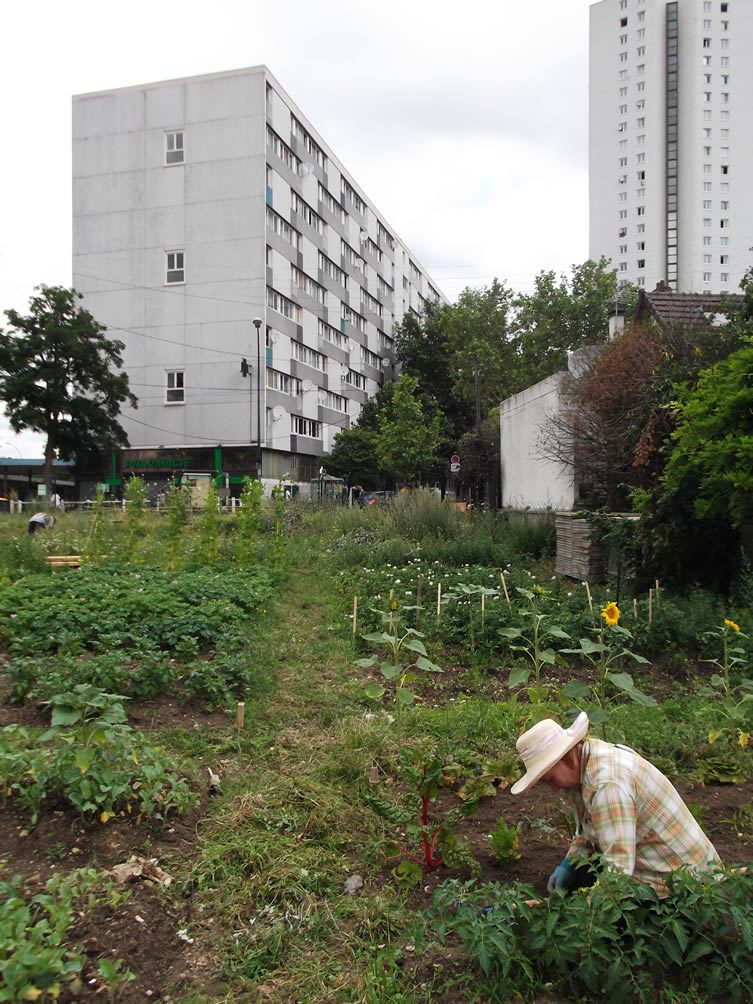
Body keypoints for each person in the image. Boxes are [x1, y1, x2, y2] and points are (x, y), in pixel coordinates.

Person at [510, 712, 720, 897]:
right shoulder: (587, 762)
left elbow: (618, 871)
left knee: (610, 921)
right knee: (580, 878)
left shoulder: (608, 785)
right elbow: (588, 831)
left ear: (567, 759)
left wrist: (586, 916)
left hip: (683, 884)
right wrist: (569, 863)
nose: (554, 789)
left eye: (551, 779)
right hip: (652, 862)